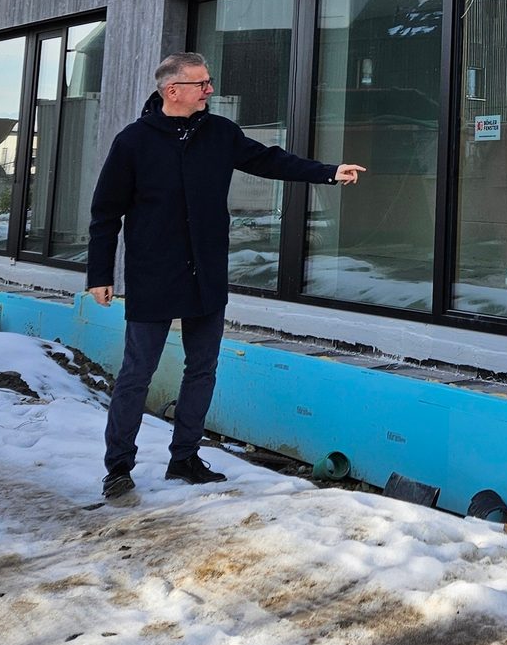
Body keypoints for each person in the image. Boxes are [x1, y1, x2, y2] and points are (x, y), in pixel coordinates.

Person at [86, 51, 364, 499]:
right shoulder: (133, 142)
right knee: (137, 373)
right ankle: (118, 467)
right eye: (202, 84)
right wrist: (100, 272)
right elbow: (105, 213)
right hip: (153, 274)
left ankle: (185, 459)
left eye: (209, 82)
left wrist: (328, 173)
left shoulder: (219, 133)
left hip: (206, 273)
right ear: (172, 90)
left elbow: (271, 161)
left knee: (203, 369)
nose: (210, 91)